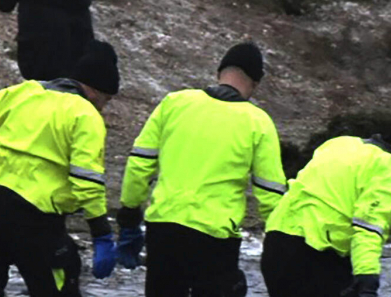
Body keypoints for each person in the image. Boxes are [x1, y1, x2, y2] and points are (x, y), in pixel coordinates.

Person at [0, 40, 124, 297]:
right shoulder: (85, 115)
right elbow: (86, 180)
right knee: (59, 278)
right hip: (35, 216)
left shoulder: (16, 93)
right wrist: (101, 232)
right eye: (106, 100)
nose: (103, 107)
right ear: (96, 91)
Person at [115, 42, 286, 297]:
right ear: (254, 83)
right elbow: (270, 191)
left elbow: (140, 162)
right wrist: (281, 239)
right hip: (214, 237)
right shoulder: (258, 122)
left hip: (163, 227)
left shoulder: (174, 103)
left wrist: (129, 213)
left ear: (220, 72)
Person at [259, 114, 391, 297]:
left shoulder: (341, 144)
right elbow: (368, 230)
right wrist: (367, 279)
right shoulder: (389, 172)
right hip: (315, 256)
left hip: (276, 245)